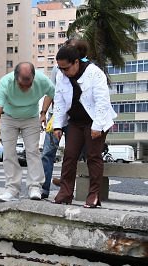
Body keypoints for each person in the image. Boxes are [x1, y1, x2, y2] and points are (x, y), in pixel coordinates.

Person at [52, 45, 117, 208]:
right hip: (75, 120)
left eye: (66, 68)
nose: (64, 72)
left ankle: (94, 195)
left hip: (96, 119)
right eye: (60, 69)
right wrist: (57, 125)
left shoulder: (94, 73)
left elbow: (102, 101)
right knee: (69, 155)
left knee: (93, 156)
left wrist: (98, 126)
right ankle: (65, 193)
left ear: (75, 62)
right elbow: (59, 101)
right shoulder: (61, 76)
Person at [0, 62, 55, 202]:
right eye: (22, 84)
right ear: (15, 77)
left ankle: (35, 186)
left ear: (33, 77)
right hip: (9, 117)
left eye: (28, 84)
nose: (25, 87)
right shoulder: (5, 83)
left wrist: (53, 116)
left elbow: (57, 96)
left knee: (33, 151)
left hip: (31, 118)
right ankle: (12, 189)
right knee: (8, 153)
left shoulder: (43, 81)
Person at [41, 39, 89, 199]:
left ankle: (66, 185)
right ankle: (44, 188)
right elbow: (51, 91)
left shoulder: (89, 69)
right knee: (48, 152)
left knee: (73, 154)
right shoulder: (57, 69)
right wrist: (44, 112)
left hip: (76, 120)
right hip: (57, 117)